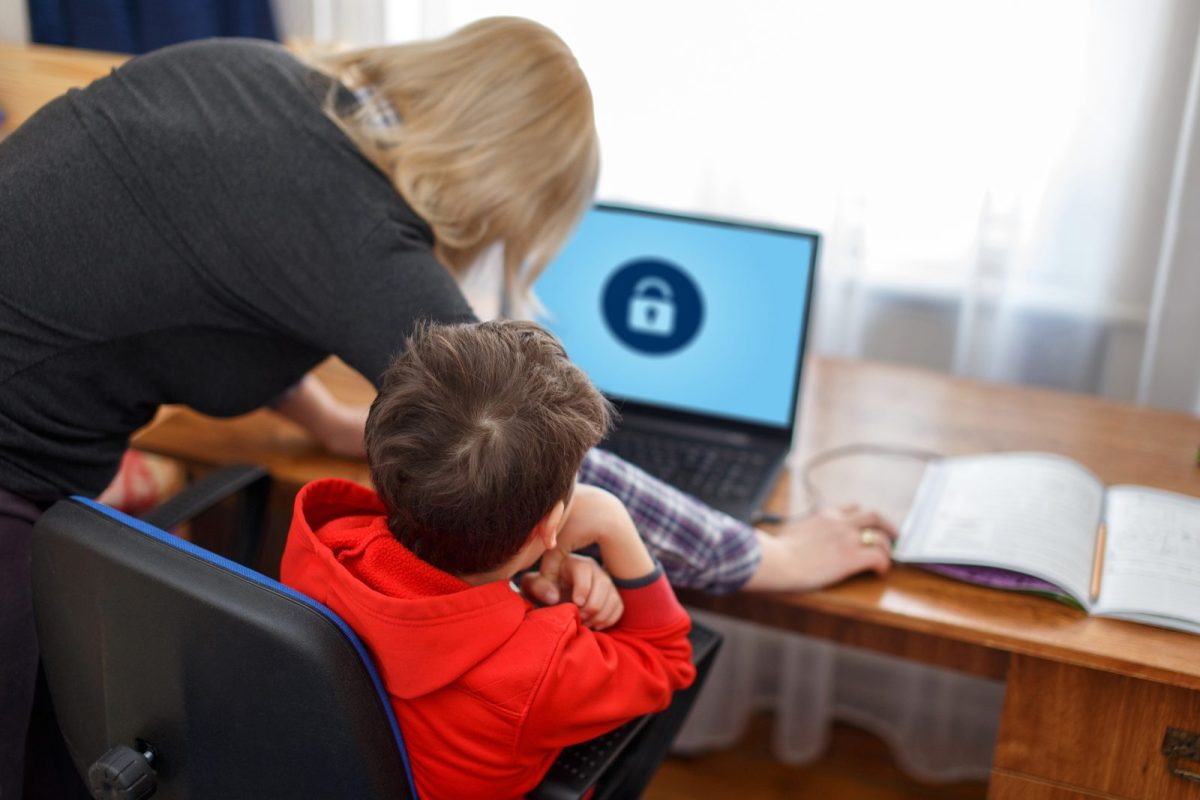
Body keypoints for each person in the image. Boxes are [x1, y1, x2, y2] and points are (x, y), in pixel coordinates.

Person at [0, 17, 895, 794]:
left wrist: (324, 421)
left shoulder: (255, 75)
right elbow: (552, 452)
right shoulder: (363, 238)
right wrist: (767, 555)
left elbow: (209, 286)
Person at [281, 319, 696, 798]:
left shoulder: (325, 542)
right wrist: (613, 521)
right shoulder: (540, 672)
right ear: (549, 526)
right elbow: (669, 659)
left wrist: (531, 600)